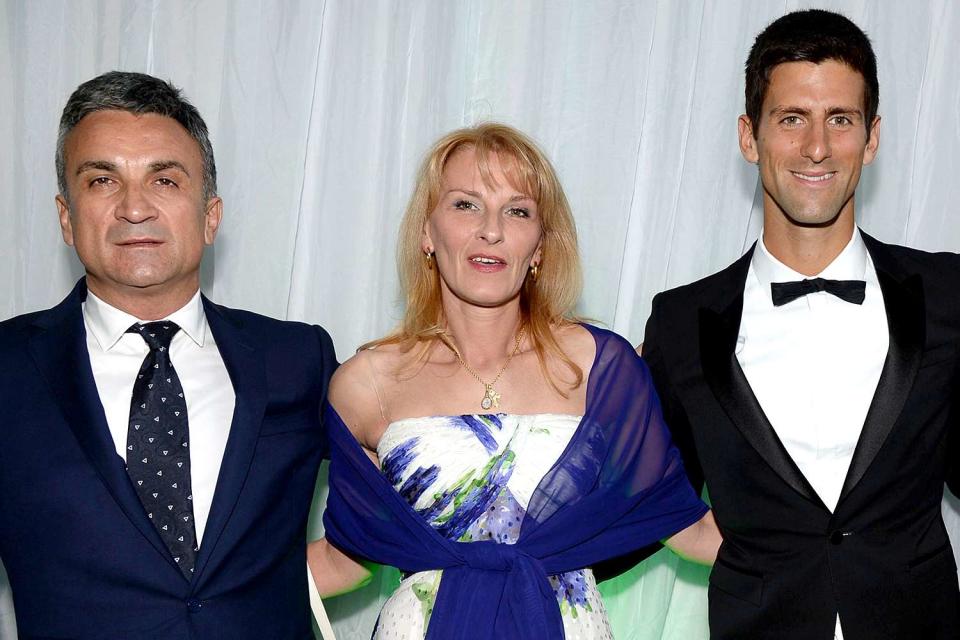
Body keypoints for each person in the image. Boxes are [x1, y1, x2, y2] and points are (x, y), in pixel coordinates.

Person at [308, 123, 721, 639]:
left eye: (518, 211)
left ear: (541, 246)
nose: (492, 229)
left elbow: (688, 527)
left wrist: (835, 542)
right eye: (465, 205)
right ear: (426, 232)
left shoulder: (599, 366)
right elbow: (347, 560)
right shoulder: (366, 382)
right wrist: (188, 590)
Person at [642, 9, 960, 640]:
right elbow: (641, 494)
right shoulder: (681, 322)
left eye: (839, 120)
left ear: (871, 138)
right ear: (748, 136)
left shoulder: (949, 294)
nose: (817, 147)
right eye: (792, 119)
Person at [0, 71, 337, 638]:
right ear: (66, 217)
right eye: (102, 180)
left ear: (211, 216)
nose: (135, 208)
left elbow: (393, 506)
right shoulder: (6, 369)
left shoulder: (297, 357)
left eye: (165, 180)